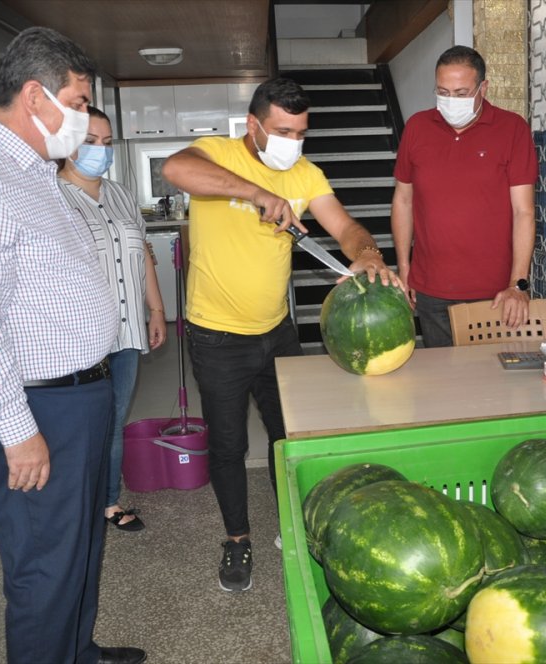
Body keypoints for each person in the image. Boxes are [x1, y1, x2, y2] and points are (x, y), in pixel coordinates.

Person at [0, 27, 145, 664]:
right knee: (43, 565)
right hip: (31, 406)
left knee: (78, 547)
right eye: (77, 102)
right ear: (35, 96)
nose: (83, 117)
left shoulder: (32, 169)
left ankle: (78, 651)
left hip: (75, 395)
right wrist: (16, 432)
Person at [162, 76, 399, 592]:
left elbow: (345, 227)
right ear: (253, 125)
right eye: (283, 131)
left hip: (277, 332)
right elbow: (175, 168)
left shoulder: (306, 172)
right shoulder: (216, 153)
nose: (294, 142)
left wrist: (367, 254)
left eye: (301, 132)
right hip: (216, 337)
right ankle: (237, 539)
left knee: (287, 438)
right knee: (228, 445)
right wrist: (257, 192)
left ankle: (292, 525)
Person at [58, 106, 167, 532]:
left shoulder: (121, 194)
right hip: (79, 337)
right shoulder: (52, 196)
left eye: (106, 143)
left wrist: (156, 310)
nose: (99, 151)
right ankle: (73, 505)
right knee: (80, 424)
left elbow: (144, 257)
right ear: (66, 143)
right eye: (89, 142)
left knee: (114, 419)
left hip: (126, 332)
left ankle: (108, 502)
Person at [391, 45, 539, 347]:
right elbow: (403, 200)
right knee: (443, 374)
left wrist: (518, 284)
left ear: (483, 88)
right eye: (442, 92)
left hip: (496, 294)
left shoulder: (512, 129)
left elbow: (523, 212)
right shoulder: (417, 127)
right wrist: (404, 269)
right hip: (431, 290)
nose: (450, 101)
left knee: (493, 375)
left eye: (461, 93)